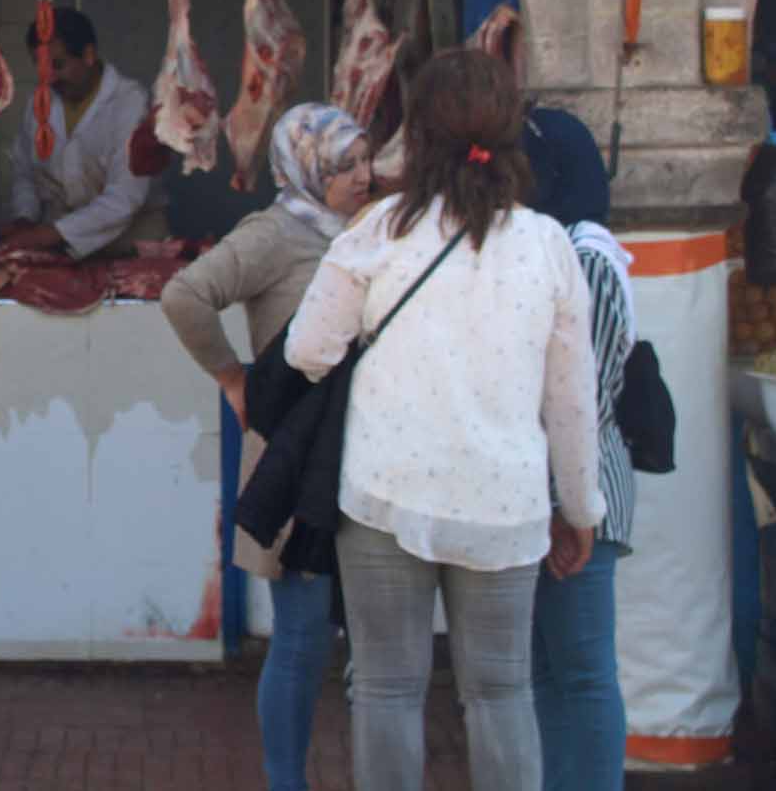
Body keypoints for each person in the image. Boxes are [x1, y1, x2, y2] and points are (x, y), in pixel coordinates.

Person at [285, 48, 605, 791]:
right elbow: (571, 399)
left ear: (416, 136)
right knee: (500, 693)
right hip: (505, 503)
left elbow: (307, 351)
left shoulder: (375, 234)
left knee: (389, 689)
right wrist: (580, 509)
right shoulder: (549, 246)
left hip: (385, 492)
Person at [160, 104, 372, 791]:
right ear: (306, 169)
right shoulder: (275, 235)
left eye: (366, 158)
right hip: (297, 463)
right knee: (303, 637)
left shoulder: (372, 233)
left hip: (366, 457)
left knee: (365, 643)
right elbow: (185, 295)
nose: (362, 176)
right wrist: (231, 376)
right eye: (344, 166)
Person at [522, 104, 637, 791]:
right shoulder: (554, 246)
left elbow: (582, 401)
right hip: (553, 494)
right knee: (547, 671)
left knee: (585, 672)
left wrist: (572, 506)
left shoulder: (585, 257)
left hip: (583, 500)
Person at [1, 7, 159, 258]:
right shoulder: (39, 103)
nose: (48, 78)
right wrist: (25, 218)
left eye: (58, 65)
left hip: (129, 243)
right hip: (59, 247)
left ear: (88, 55)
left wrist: (48, 234)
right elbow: (25, 172)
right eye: (40, 67)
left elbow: (125, 196)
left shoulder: (129, 102)